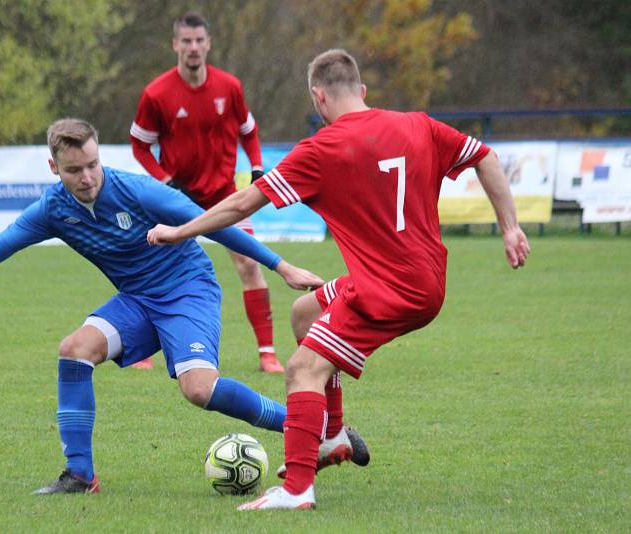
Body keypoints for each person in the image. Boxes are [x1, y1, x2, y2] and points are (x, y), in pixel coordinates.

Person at [147, 49, 531, 510]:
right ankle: (331, 437)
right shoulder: (418, 125)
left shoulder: (321, 149)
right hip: (420, 278)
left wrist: (180, 230)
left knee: (302, 369)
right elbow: (485, 157)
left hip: (391, 290)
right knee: (305, 314)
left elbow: (243, 202)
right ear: (363, 91)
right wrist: (510, 227)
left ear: (318, 96)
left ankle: (296, 491)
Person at [0, 118, 327, 495]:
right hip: (137, 300)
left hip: (187, 290)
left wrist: (280, 264)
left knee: (199, 390)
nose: (87, 177)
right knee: (74, 349)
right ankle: (80, 475)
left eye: (93, 165)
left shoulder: (137, 191)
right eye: (74, 170)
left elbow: (217, 221)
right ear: (53, 168)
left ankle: (315, 430)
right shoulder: (53, 210)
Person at [130, 12, 284, 373]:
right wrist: (164, 180)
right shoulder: (156, 93)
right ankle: (139, 350)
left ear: (209, 44)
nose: (193, 47)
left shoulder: (229, 86)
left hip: (224, 196)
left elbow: (249, 130)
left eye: (199, 41)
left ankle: (267, 353)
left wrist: (257, 166)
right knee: (150, 267)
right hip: (176, 197)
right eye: (186, 41)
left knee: (249, 264)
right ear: (175, 45)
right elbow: (139, 146)